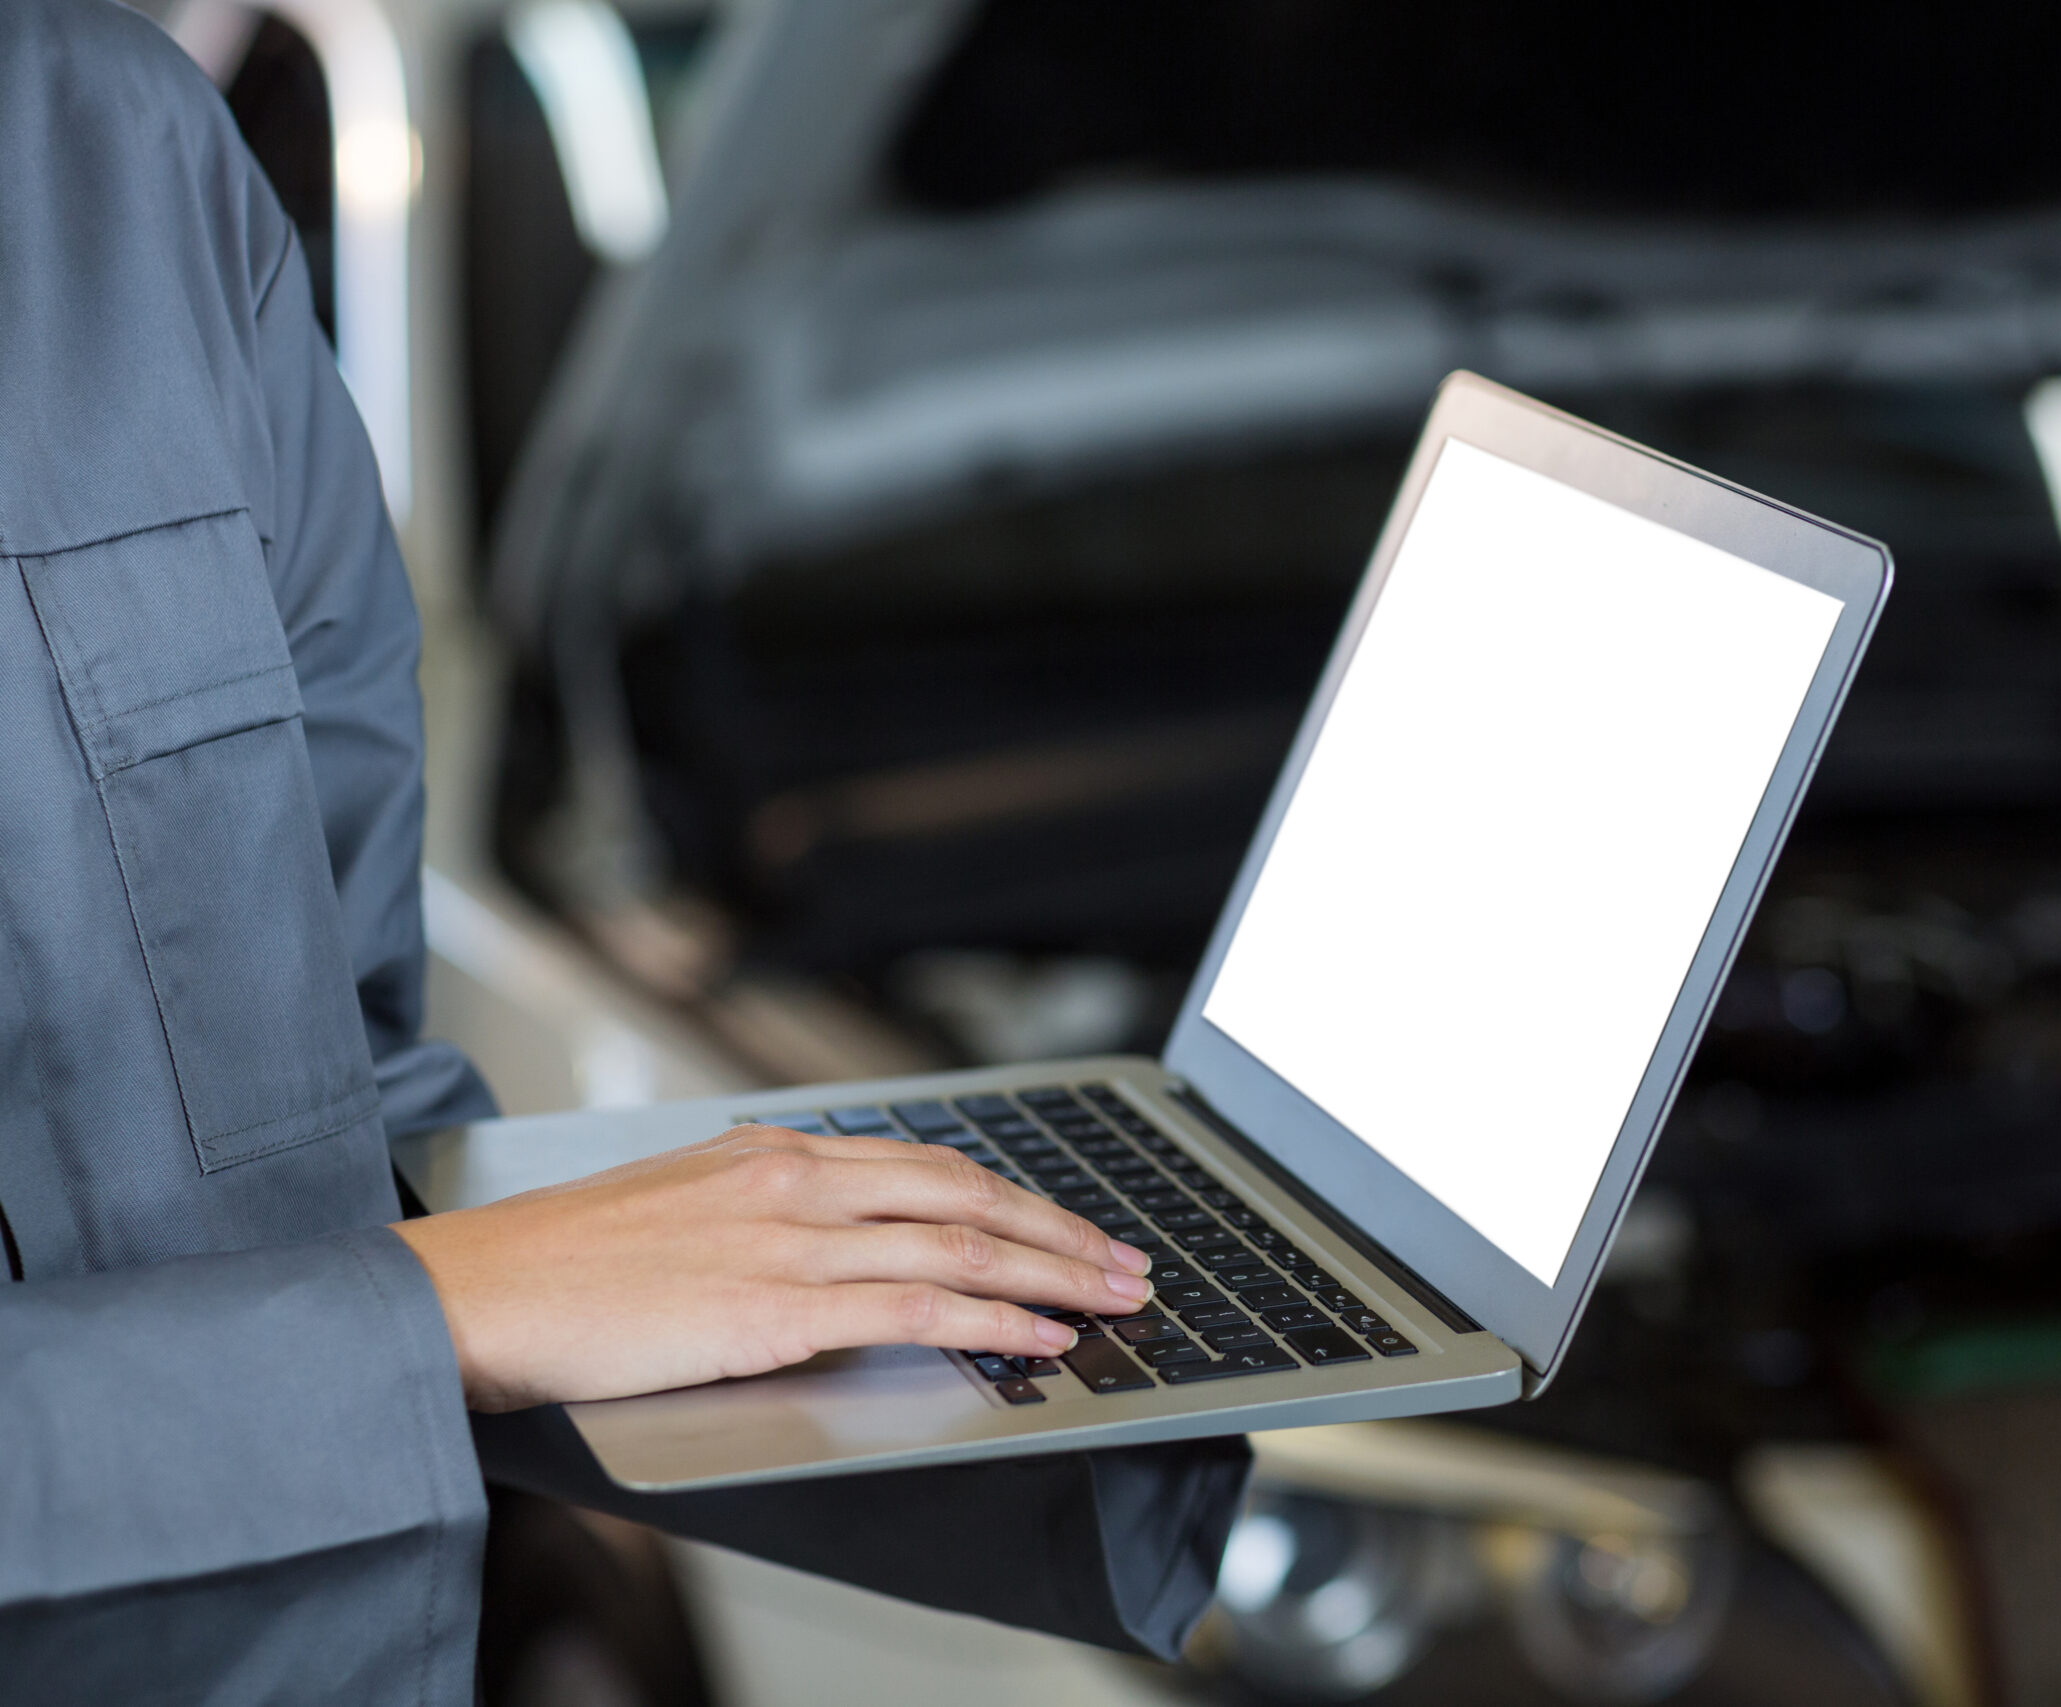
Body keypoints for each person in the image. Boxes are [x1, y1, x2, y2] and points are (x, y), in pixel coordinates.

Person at [0, 2, 1244, 1697]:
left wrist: (1119, 1332)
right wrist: (435, 1320)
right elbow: (433, 1293)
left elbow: (333, 1131)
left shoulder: (125, 150)